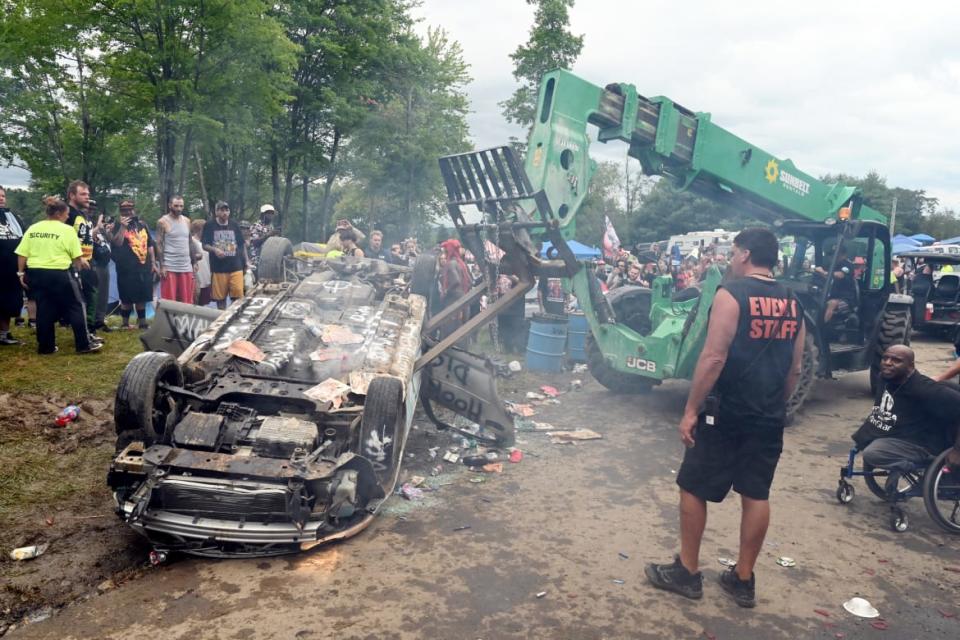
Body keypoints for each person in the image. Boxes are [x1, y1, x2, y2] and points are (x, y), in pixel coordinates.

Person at [646, 227, 805, 609]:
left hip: (726, 411)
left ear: (746, 254)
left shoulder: (731, 295)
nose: (731, 259)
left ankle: (687, 572)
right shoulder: (793, 302)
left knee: (693, 485)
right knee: (756, 493)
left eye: (734, 252)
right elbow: (795, 369)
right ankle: (743, 580)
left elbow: (714, 358)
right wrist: (773, 404)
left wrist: (690, 409)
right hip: (768, 414)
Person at [855, 345, 960, 490]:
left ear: (910, 366)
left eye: (896, 360)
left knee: (873, 453)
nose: (888, 362)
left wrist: (957, 450)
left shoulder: (924, 389)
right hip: (902, 432)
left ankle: (920, 469)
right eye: (885, 358)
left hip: (923, 443)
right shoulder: (885, 378)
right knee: (864, 437)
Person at [15, 197, 101, 354]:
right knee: (77, 305)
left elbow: (22, 253)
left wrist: (21, 273)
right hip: (60, 273)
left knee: (44, 309)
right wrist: (81, 266)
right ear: (59, 213)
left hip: (36, 273)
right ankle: (83, 344)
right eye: (67, 214)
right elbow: (76, 257)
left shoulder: (34, 228)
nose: (68, 217)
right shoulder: (67, 230)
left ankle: (46, 347)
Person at [111, 200, 157, 329]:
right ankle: (125, 323)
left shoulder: (142, 225)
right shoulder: (116, 225)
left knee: (142, 295)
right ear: (121, 212)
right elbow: (116, 243)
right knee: (126, 297)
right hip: (125, 267)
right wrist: (123, 227)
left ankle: (142, 323)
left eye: (130, 209)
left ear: (134, 210)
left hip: (143, 265)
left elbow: (150, 245)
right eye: (125, 210)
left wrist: (153, 262)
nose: (128, 212)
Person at [65, 180, 100, 337]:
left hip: (89, 260)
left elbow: (82, 235)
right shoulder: (67, 214)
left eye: (88, 194)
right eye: (83, 194)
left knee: (92, 294)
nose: (87, 197)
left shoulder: (83, 214)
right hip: (74, 263)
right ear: (72, 195)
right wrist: (75, 259)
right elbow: (63, 239)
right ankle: (84, 333)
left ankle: (90, 330)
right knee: (79, 300)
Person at [202, 201, 247, 309]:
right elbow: (204, 245)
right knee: (220, 299)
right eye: (222, 210)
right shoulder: (209, 225)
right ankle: (222, 319)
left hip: (235, 266)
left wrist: (246, 262)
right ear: (216, 212)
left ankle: (235, 317)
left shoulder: (234, 225)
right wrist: (215, 250)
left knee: (238, 296)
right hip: (218, 268)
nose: (225, 213)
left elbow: (242, 244)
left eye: (227, 210)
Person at [156, 195, 197, 303]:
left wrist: (195, 261)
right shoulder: (162, 222)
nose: (179, 209)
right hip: (170, 266)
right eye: (176, 206)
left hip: (185, 266)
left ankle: (183, 320)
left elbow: (190, 242)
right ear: (170, 205)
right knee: (170, 300)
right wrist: (162, 265)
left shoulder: (187, 221)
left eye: (181, 206)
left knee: (186, 300)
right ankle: (169, 320)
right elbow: (159, 244)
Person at [0, 186, 27, 345]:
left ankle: (4, 334)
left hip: (12, 268)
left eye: (3, 196)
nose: (1, 198)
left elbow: (24, 240)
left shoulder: (13, 217)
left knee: (9, 302)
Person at [815, 244, 857, 323]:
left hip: (846, 299)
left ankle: (822, 327)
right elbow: (828, 278)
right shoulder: (833, 266)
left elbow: (840, 275)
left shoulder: (847, 264)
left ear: (843, 254)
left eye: (836, 253)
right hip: (832, 296)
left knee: (832, 304)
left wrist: (824, 272)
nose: (833, 256)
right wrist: (819, 273)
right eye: (833, 254)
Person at [438, 238, 470, 337]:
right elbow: (470, 282)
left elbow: (456, 281)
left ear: (449, 251)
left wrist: (446, 292)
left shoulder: (451, 263)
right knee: (460, 329)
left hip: (453, 300)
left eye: (445, 251)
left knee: (449, 329)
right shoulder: (461, 263)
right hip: (462, 298)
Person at [91, 214, 114, 332]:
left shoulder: (102, 230)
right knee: (95, 293)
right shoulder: (88, 226)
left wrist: (108, 230)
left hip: (105, 263)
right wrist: (98, 226)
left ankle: (100, 320)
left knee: (104, 294)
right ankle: (91, 321)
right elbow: (90, 236)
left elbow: (111, 240)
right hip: (94, 264)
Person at [248, 204, 280, 274]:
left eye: (272, 214)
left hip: (268, 257)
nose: (271, 216)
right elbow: (254, 243)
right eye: (269, 213)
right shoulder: (256, 225)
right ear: (263, 214)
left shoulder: (271, 227)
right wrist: (268, 235)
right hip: (256, 258)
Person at [191, 219, 212, 306]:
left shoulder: (207, 243)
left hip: (206, 277)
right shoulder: (192, 241)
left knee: (204, 303)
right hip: (196, 276)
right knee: (195, 301)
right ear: (198, 230)